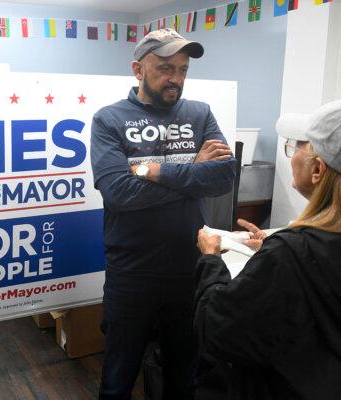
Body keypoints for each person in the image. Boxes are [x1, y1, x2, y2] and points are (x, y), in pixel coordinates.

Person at [90, 28, 237, 400]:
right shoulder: (109, 119)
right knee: (117, 379)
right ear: (138, 69)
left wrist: (152, 171)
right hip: (131, 270)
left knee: (183, 377)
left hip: (189, 268)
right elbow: (119, 192)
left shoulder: (199, 113)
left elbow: (223, 177)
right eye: (166, 68)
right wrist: (193, 171)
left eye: (183, 69)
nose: (176, 78)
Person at [195, 99, 341, 399]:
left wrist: (210, 260)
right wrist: (273, 248)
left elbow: (217, 328)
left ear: (317, 169)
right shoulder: (291, 252)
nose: (291, 156)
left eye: (296, 146)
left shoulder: (289, 255)